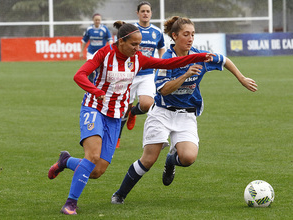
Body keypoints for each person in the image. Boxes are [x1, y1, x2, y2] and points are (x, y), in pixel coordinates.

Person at [48, 20, 214, 215]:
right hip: (94, 108)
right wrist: (95, 91)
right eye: (134, 45)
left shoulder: (138, 59)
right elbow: (80, 75)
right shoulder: (104, 54)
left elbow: (167, 62)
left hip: (115, 115)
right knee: (92, 156)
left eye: (139, 45)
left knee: (96, 171)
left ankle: (66, 161)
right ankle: (70, 203)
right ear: (121, 41)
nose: (138, 49)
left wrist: (201, 56)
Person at [111, 16, 258, 205]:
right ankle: (120, 194)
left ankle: (171, 161)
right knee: (148, 160)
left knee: (188, 158)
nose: (190, 38)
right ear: (174, 36)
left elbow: (224, 60)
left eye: (193, 34)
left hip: (186, 114)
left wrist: (242, 78)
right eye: (186, 34)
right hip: (162, 113)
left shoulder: (199, 55)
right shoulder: (167, 59)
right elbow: (163, 90)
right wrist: (186, 75)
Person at [116, 1, 165, 148]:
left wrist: (159, 62)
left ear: (151, 14)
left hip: (147, 74)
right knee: (123, 108)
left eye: (148, 11)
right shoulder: (131, 30)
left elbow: (161, 47)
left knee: (147, 104)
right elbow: (119, 46)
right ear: (137, 13)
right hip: (129, 74)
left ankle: (134, 113)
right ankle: (117, 137)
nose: (145, 13)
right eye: (142, 11)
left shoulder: (157, 32)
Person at [79, 13, 113, 82]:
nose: (97, 21)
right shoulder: (89, 29)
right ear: (93, 20)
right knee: (90, 69)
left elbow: (110, 40)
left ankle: (100, 83)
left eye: (99, 20)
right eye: (96, 20)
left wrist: (111, 49)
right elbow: (84, 41)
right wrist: (81, 52)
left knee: (102, 69)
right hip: (91, 52)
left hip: (102, 53)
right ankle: (90, 85)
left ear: (100, 20)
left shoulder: (104, 29)